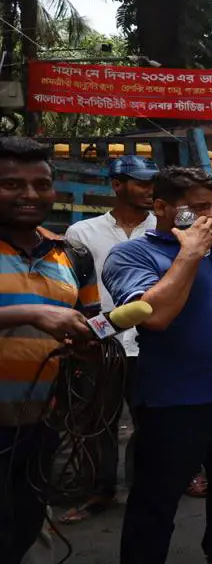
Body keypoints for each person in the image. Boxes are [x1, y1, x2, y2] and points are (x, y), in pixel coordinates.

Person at [103, 167, 212, 564]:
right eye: (197, 208)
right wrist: (190, 252)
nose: (210, 217)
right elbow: (156, 316)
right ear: (160, 207)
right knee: (156, 502)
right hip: (177, 404)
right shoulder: (132, 254)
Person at [0, 137, 101, 562]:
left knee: (20, 527)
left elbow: (91, 322)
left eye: (40, 184)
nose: (29, 195)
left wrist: (92, 345)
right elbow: (41, 318)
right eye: (11, 184)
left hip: (40, 426)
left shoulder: (71, 254)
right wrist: (28, 313)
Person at [59, 154, 158, 523]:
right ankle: (98, 490)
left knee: (150, 419)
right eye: (141, 183)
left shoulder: (161, 229)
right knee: (97, 422)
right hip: (103, 342)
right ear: (117, 185)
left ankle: (143, 486)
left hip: (151, 341)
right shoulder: (82, 233)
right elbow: (74, 288)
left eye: (152, 184)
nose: (149, 190)